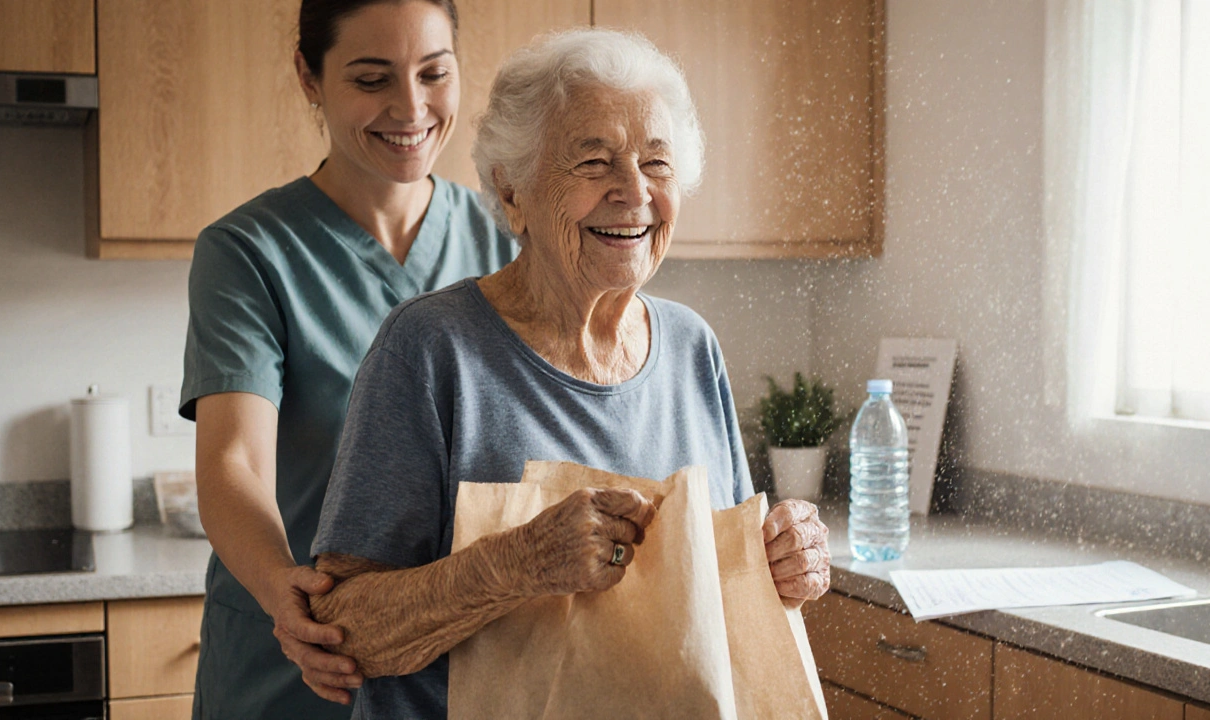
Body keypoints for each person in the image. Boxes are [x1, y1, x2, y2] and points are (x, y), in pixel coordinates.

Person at [307, 28, 832, 718]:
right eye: (593, 162)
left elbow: (724, 598)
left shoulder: (692, 347)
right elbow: (343, 630)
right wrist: (512, 565)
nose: (634, 192)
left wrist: (785, 565)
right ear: (512, 191)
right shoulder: (430, 349)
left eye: (656, 163)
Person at [177, 0, 517, 716]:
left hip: (458, 674)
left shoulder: (509, 239)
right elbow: (235, 461)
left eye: (434, 73)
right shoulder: (248, 253)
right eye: (371, 79)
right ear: (310, 76)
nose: (411, 108)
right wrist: (284, 593)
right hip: (296, 666)